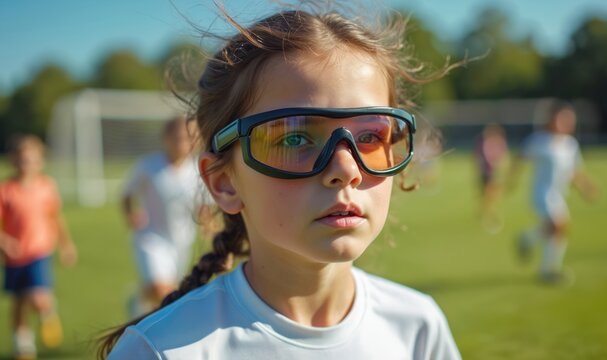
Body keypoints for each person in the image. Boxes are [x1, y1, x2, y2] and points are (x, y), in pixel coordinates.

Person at [99, 4, 463, 359]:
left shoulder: (418, 327)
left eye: (369, 137)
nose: (346, 168)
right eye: (293, 139)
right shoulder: (163, 349)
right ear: (224, 182)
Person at [121, 116, 212, 316]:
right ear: (166, 139)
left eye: (189, 138)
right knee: (163, 291)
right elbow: (127, 194)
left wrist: (207, 225)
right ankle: (150, 331)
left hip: (181, 242)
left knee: (168, 292)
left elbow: (203, 205)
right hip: (151, 238)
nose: (183, 143)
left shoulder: (198, 170)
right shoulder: (149, 166)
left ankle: (138, 301)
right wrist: (130, 213)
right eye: (177, 138)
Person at [0, 134, 78, 360]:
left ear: (41, 162)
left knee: (38, 297)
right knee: (18, 303)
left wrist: (66, 245)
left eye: (32, 160)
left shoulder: (47, 186)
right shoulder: (6, 190)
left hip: (39, 251)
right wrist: (4, 242)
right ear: (14, 160)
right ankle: (23, 346)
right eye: (22, 159)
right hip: (14, 255)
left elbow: (56, 218)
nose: (27, 164)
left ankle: (47, 313)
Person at [511, 101, 597, 284]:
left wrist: (585, 188)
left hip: (558, 195)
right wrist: (512, 180)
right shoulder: (539, 140)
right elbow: (520, 158)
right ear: (551, 118)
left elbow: (573, 172)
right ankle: (548, 271)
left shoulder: (570, 145)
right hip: (542, 194)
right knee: (558, 226)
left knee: (556, 229)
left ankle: (527, 239)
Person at [474, 123, 509, 233]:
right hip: (487, 171)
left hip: (494, 171)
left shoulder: (497, 142)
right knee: (488, 192)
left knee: (492, 192)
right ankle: (487, 211)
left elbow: (502, 155)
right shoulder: (483, 142)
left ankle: (487, 210)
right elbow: (482, 156)